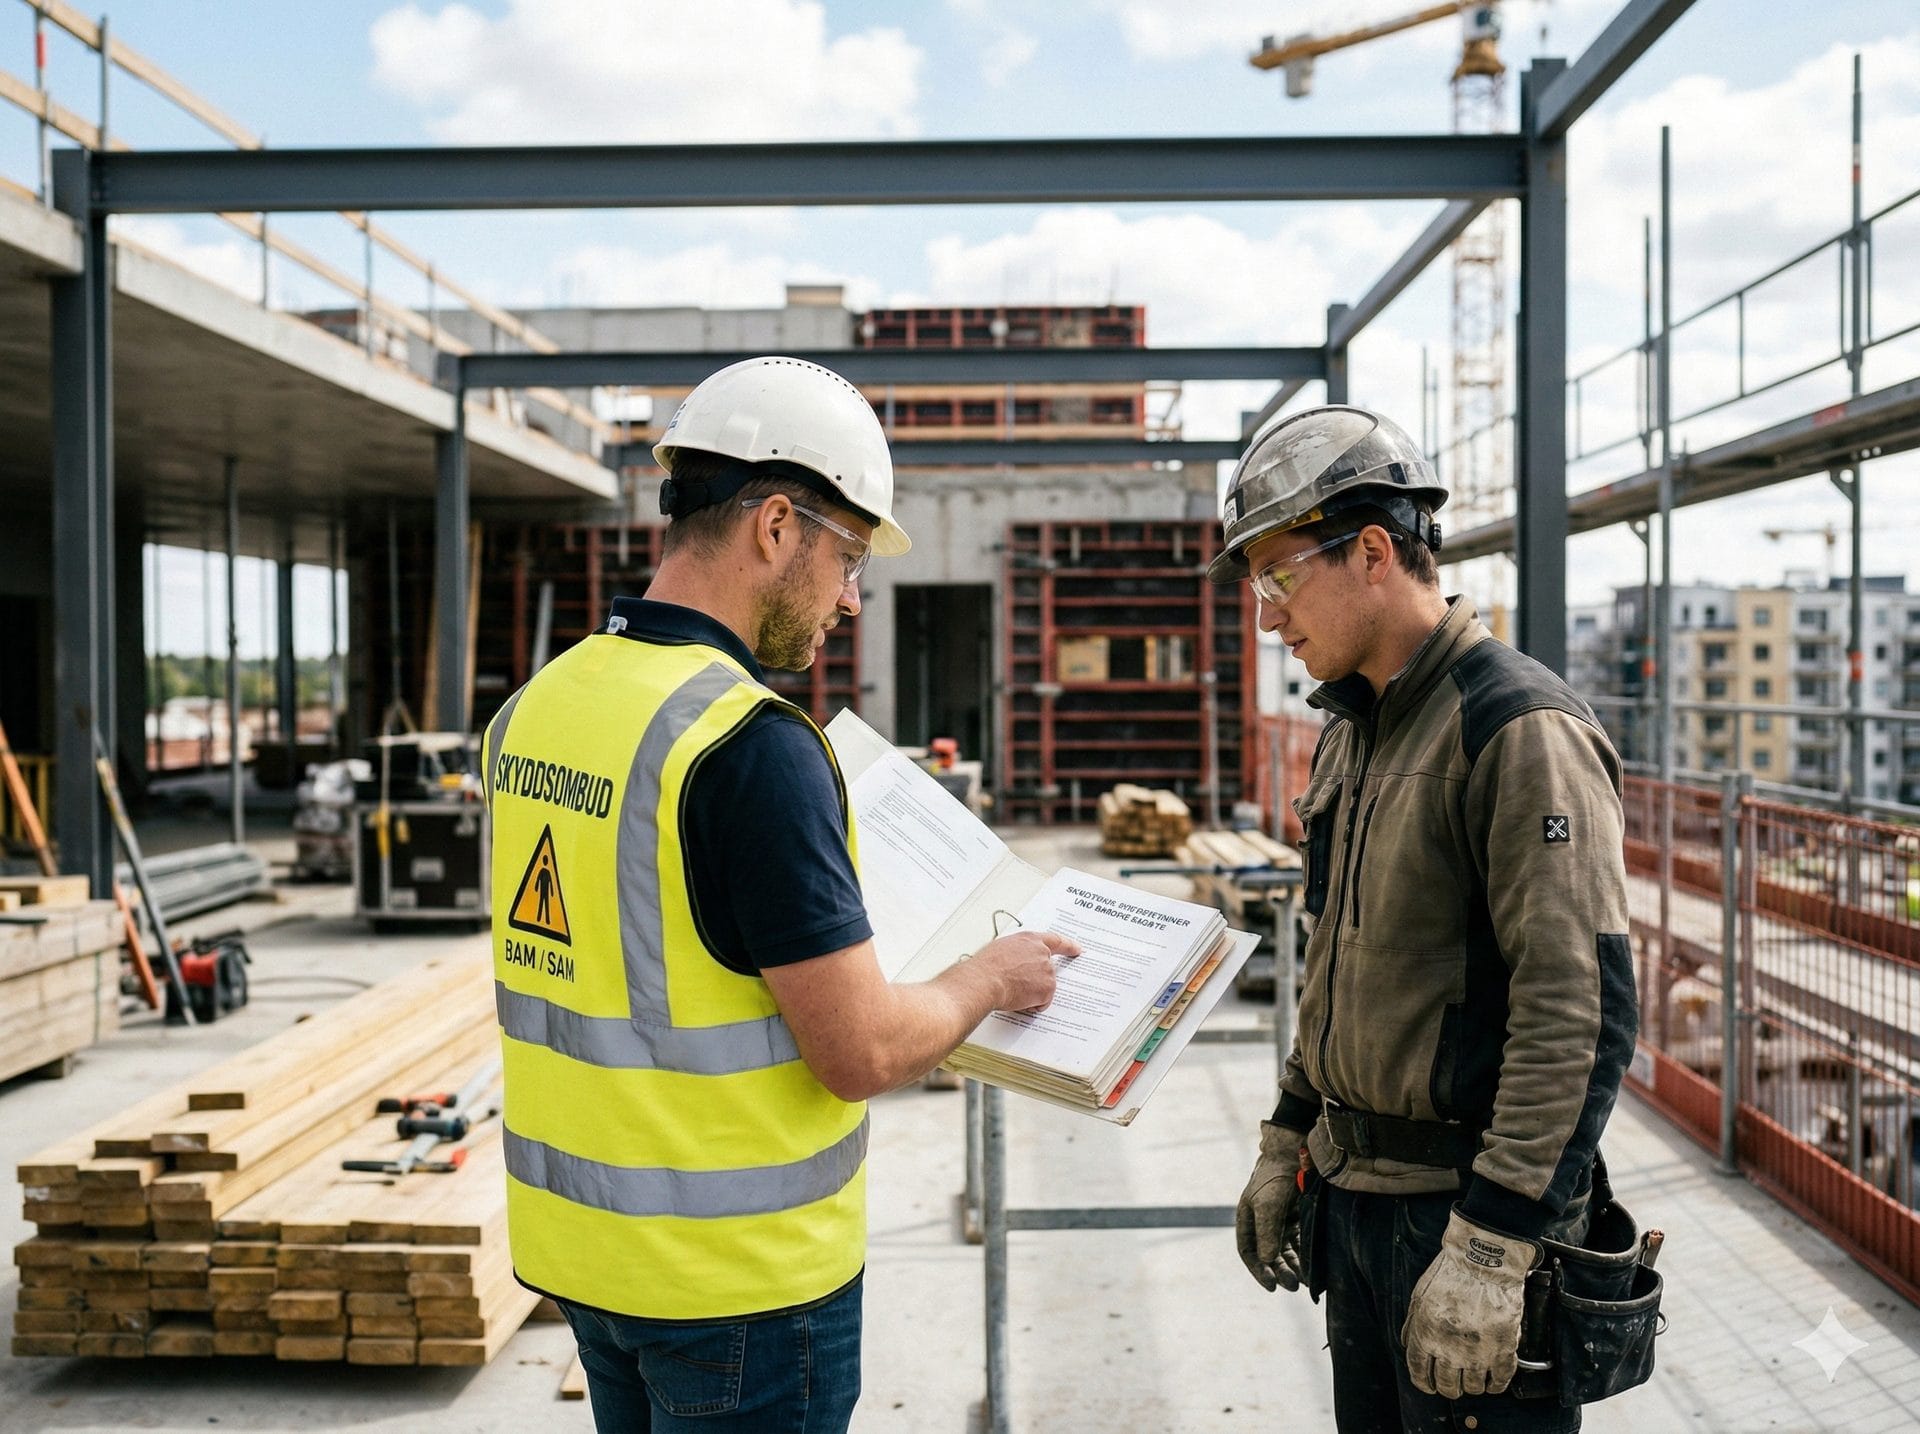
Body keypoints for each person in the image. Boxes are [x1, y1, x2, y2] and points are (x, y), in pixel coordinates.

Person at [482, 355, 1078, 1433]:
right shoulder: (749, 747)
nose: (851, 598)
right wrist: (986, 975)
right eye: (848, 557)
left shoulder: (536, 709)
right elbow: (860, 1051)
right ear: (773, 526)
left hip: (589, 1261)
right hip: (739, 1291)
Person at [1216, 405, 1636, 1432]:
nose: (1267, 616)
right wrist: (1287, 1136)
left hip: (1465, 1218)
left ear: (1368, 552)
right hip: (1359, 1204)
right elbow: (1337, 973)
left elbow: (1578, 1011)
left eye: (1277, 578)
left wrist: (1496, 1243)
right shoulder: (1353, 731)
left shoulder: (1515, 727)